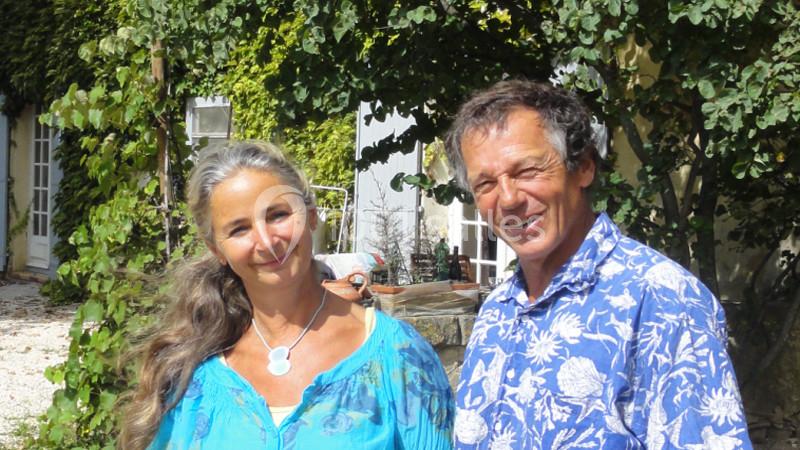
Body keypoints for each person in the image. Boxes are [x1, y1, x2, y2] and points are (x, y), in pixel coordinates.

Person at [444, 80, 752, 449]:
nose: (508, 199)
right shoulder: (497, 311)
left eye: (527, 171)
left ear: (584, 167)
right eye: (486, 184)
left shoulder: (660, 301)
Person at [119, 142, 454, 450]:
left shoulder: (397, 356)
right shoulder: (192, 374)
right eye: (239, 229)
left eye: (278, 214)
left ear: (311, 215)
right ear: (217, 250)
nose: (266, 241)